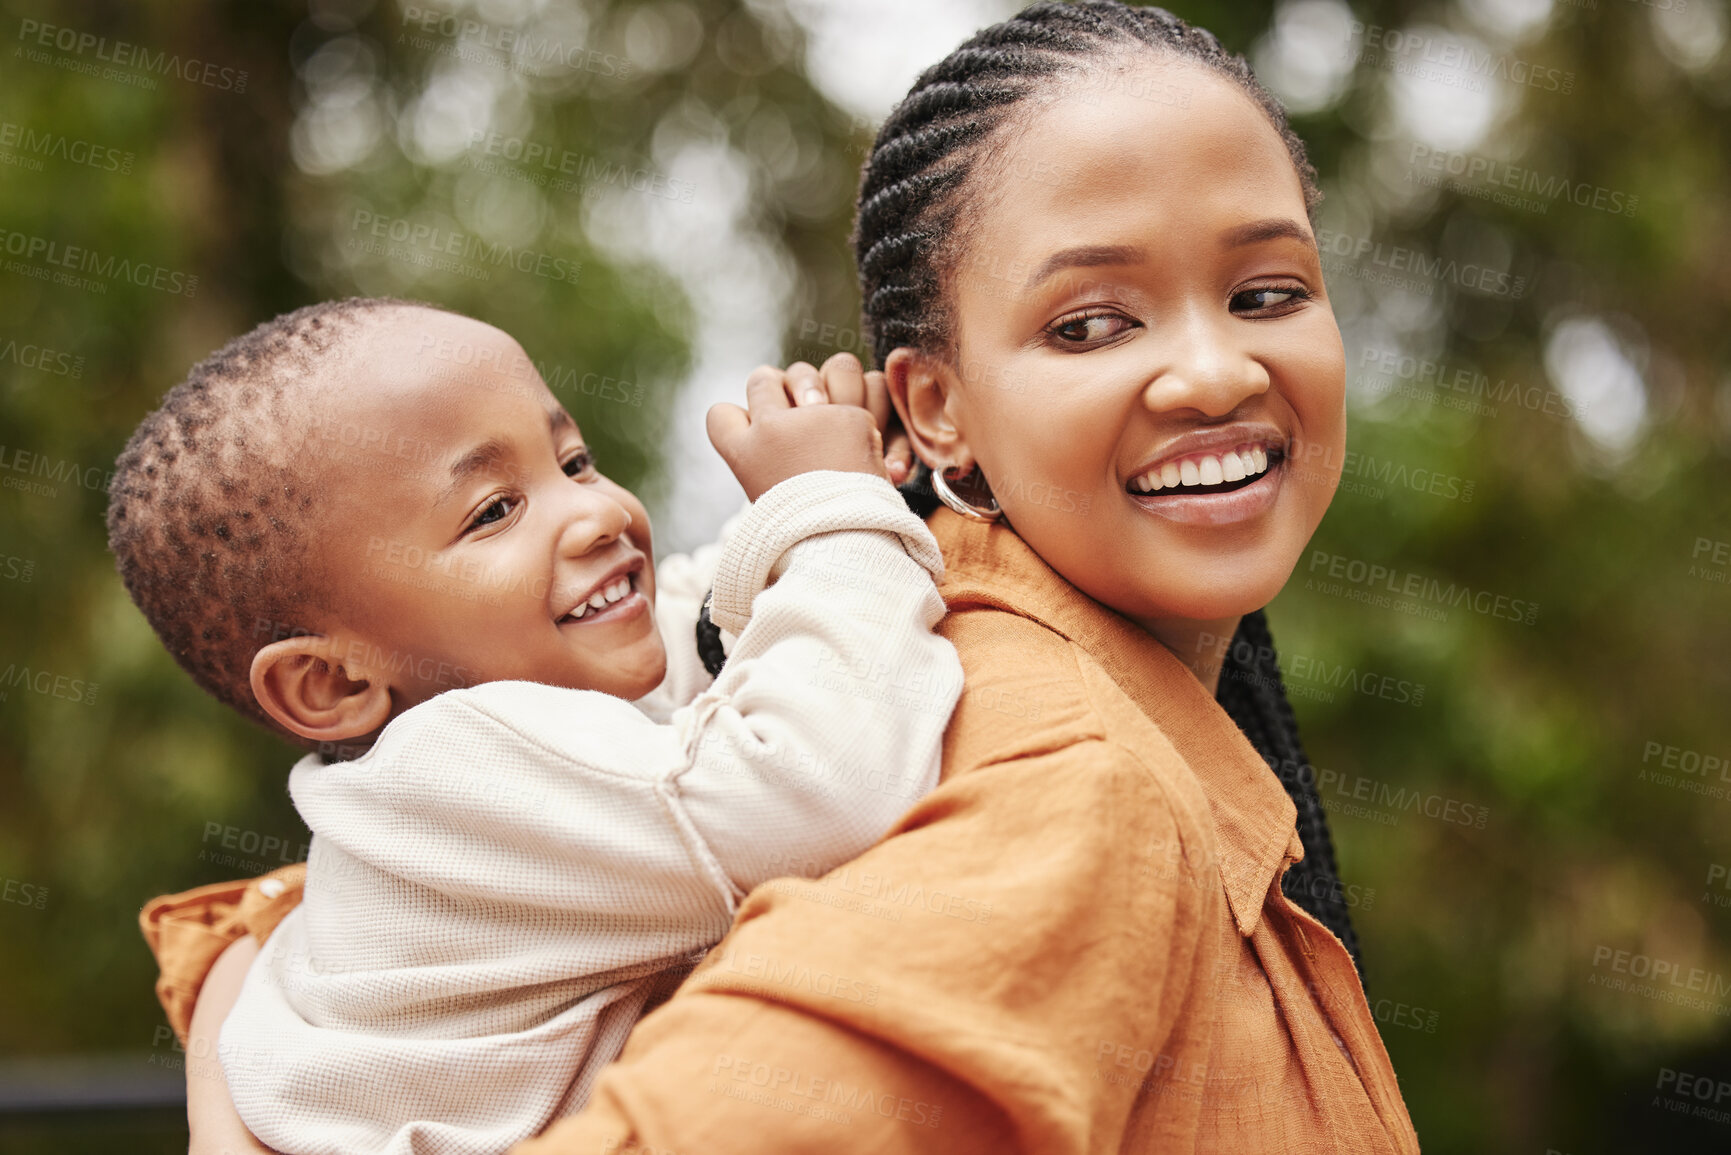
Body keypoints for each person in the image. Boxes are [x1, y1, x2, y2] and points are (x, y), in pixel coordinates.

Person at [162, 3, 1421, 1151]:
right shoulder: (1067, 787)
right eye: (1088, 323)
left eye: (1269, 291)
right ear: (932, 405)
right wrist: (832, 507)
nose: (1214, 374)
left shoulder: (1006, 694)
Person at [109, 298, 962, 1154]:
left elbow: (704, 615)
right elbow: (820, 787)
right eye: (493, 511)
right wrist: (832, 508)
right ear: (332, 681)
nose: (595, 513)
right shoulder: (454, 772)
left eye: (575, 460)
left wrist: (831, 483)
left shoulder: (546, 674)